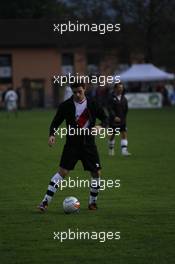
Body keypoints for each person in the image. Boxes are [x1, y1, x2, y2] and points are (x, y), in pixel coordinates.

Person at [38, 82, 108, 212]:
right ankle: (45, 201)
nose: (77, 94)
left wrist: (100, 126)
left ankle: (92, 203)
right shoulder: (66, 106)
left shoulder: (93, 104)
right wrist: (52, 134)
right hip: (72, 145)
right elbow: (55, 122)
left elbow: (105, 119)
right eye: (74, 92)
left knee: (96, 173)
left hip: (89, 145)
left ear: (84, 89)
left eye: (79, 92)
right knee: (62, 173)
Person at [108, 82, 131, 156]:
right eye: (119, 88)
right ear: (115, 89)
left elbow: (126, 109)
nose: (121, 89)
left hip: (122, 120)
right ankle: (111, 148)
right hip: (113, 120)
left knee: (124, 133)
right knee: (112, 135)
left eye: (122, 88)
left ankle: (124, 151)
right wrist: (114, 117)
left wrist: (124, 118)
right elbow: (109, 109)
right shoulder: (111, 98)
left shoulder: (124, 98)